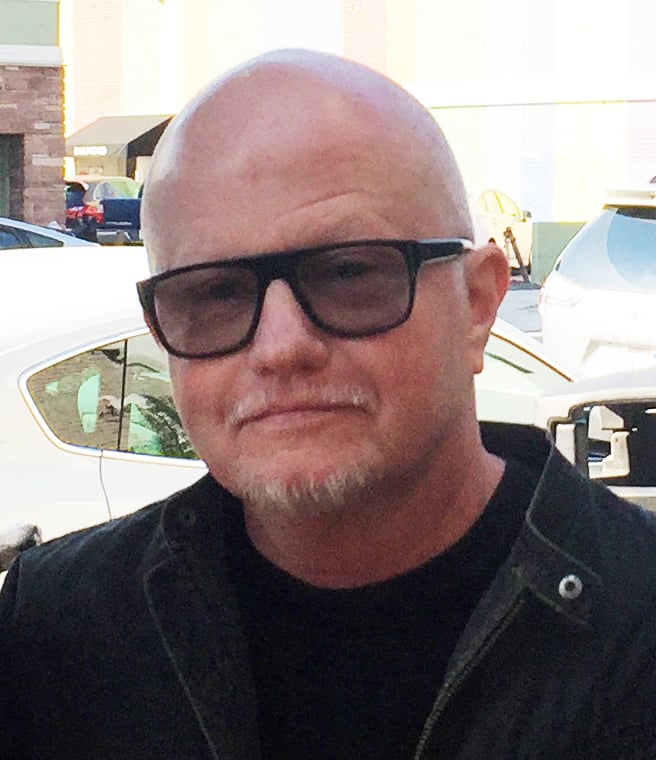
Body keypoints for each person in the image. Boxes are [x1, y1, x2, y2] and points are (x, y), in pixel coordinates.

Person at [2, 49, 656, 760]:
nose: (282, 347)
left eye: (349, 273)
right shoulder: (55, 641)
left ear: (477, 304)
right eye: (215, 293)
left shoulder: (637, 627)